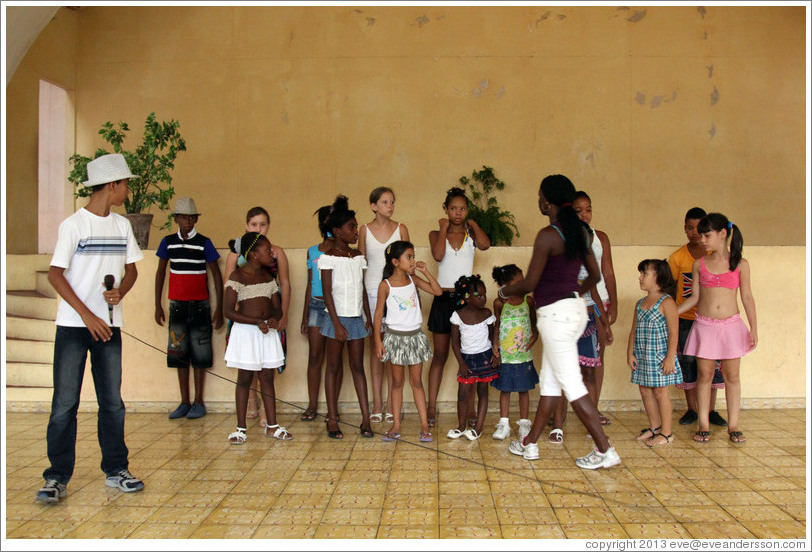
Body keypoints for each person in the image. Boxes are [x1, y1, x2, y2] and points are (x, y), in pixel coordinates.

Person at [37, 153, 145, 503]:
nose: (128, 189)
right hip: (74, 326)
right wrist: (87, 315)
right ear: (111, 185)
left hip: (109, 327)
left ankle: (116, 470)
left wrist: (120, 292)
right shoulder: (74, 225)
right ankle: (56, 478)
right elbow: (56, 274)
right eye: (126, 183)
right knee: (65, 403)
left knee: (112, 402)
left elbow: (132, 271)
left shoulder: (122, 226)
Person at [502, 174, 620, 469]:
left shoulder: (548, 235)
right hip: (575, 310)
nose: (538, 200)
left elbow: (529, 283)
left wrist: (505, 291)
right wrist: (571, 294)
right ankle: (529, 444)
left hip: (555, 316)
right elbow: (594, 276)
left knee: (571, 383)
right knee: (552, 383)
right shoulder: (579, 232)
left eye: (540, 195)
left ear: (548, 202)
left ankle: (605, 450)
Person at [678, 213, 757, 444]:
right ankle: (703, 424)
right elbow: (694, 298)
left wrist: (753, 328)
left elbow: (748, 297)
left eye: (707, 235)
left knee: (732, 376)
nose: (702, 239)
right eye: (700, 235)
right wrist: (674, 311)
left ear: (723, 234)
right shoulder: (699, 264)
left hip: (731, 326)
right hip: (705, 326)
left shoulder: (740, 264)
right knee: (704, 375)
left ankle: (734, 426)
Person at [154, 197, 223, 420]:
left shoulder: (204, 242)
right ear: (176, 219)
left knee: (200, 352)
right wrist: (158, 304)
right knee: (178, 353)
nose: (187, 221)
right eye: (182, 217)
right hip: (176, 305)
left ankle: (199, 402)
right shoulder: (168, 242)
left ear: (195, 219)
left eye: (191, 217)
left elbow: (216, 275)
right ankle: (184, 401)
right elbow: (160, 273)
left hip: (201, 305)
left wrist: (219, 308)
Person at [426, 187, 490, 428]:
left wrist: (472, 224)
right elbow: (439, 255)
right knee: (441, 354)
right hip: (443, 297)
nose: (458, 213)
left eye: (463, 208)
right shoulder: (436, 233)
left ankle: (470, 408)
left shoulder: (470, 234)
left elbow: (484, 245)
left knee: (471, 354)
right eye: (453, 208)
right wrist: (443, 228)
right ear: (445, 209)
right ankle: (432, 406)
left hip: (467, 302)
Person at [224, 207, 291, 425]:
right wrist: (239, 316)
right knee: (247, 367)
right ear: (247, 226)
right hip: (245, 317)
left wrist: (282, 314)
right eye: (254, 225)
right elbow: (229, 287)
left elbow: (284, 283)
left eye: (263, 224)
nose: (259, 228)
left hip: (269, 311)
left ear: (269, 226)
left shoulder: (275, 252)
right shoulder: (236, 256)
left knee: (267, 368)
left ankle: (267, 413)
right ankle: (250, 404)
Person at [373, 240, 442, 442]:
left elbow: (437, 291)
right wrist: (378, 341)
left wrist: (425, 271)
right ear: (395, 262)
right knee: (397, 383)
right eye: (408, 257)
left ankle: (423, 424)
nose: (412, 261)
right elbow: (378, 314)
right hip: (394, 338)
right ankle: (396, 424)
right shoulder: (385, 285)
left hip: (414, 337)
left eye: (413, 256)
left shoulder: (413, 279)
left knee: (416, 382)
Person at [318, 195, 374, 439]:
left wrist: (368, 317)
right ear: (337, 231)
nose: (355, 231)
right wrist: (337, 325)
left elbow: (361, 289)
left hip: (355, 319)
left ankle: (366, 419)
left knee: (358, 368)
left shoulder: (358, 257)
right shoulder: (328, 258)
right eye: (351, 227)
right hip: (336, 319)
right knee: (332, 368)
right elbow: (327, 293)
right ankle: (332, 419)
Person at [667, 207, 728, 427]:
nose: (695, 233)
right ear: (684, 229)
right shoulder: (677, 258)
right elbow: (670, 288)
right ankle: (692, 409)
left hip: (710, 321)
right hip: (685, 319)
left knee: (713, 366)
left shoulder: (714, 257)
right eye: (690, 228)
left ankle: (710, 410)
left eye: (699, 228)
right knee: (688, 364)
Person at [358, 187, 411, 424]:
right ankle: (377, 403)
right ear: (373, 206)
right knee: (376, 348)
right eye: (384, 201)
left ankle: (392, 402)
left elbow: (407, 262)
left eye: (392, 201)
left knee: (393, 347)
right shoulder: (364, 230)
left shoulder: (401, 229)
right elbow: (361, 264)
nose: (390, 205)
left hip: (396, 293)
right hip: (371, 291)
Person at [573, 190, 618, 425]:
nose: (584, 214)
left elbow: (607, 271)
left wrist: (614, 302)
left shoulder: (600, 237)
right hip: (577, 305)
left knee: (596, 358)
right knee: (571, 361)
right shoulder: (567, 239)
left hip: (600, 303)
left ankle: (593, 408)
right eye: (578, 210)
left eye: (588, 209)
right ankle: (560, 412)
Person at [628, 259, 683, 446]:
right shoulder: (640, 303)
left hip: (659, 357)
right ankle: (654, 427)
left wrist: (670, 358)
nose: (640, 277)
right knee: (644, 389)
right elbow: (633, 330)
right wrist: (630, 353)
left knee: (660, 392)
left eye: (645, 273)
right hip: (643, 356)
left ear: (658, 277)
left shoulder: (666, 302)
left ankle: (667, 433)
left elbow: (674, 333)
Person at [446, 275, 499, 441]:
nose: (483, 299)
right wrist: (461, 363)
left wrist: (497, 355)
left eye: (484, 295)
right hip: (467, 360)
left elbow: (493, 337)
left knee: (482, 392)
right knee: (463, 394)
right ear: (467, 297)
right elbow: (455, 342)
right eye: (479, 295)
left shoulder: (487, 313)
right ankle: (461, 426)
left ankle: (478, 427)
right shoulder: (457, 315)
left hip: (485, 358)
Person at [490, 264, 539, 443]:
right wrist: (495, 343)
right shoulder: (500, 303)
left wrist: (535, 336)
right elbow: (497, 325)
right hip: (506, 355)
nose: (523, 284)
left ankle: (524, 423)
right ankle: (504, 424)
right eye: (518, 282)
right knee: (505, 389)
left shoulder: (529, 301)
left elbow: (534, 323)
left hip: (523, 354)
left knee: (523, 389)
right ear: (505, 285)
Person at [298, 204, 336, 422]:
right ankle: (312, 404)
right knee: (315, 356)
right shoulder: (313, 251)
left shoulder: (342, 251)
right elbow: (310, 282)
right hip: (315, 305)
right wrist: (305, 315)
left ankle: (333, 409)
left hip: (336, 308)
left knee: (334, 360)